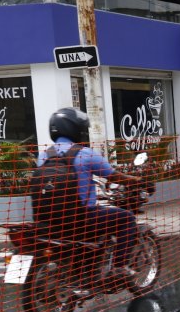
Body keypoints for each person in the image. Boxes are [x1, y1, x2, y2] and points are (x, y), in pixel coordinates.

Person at [37, 108, 147, 282]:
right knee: (126, 218)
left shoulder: (43, 156)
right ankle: (119, 267)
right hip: (81, 218)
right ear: (75, 129)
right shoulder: (84, 154)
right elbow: (114, 176)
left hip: (49, 219)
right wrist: (138, 180)